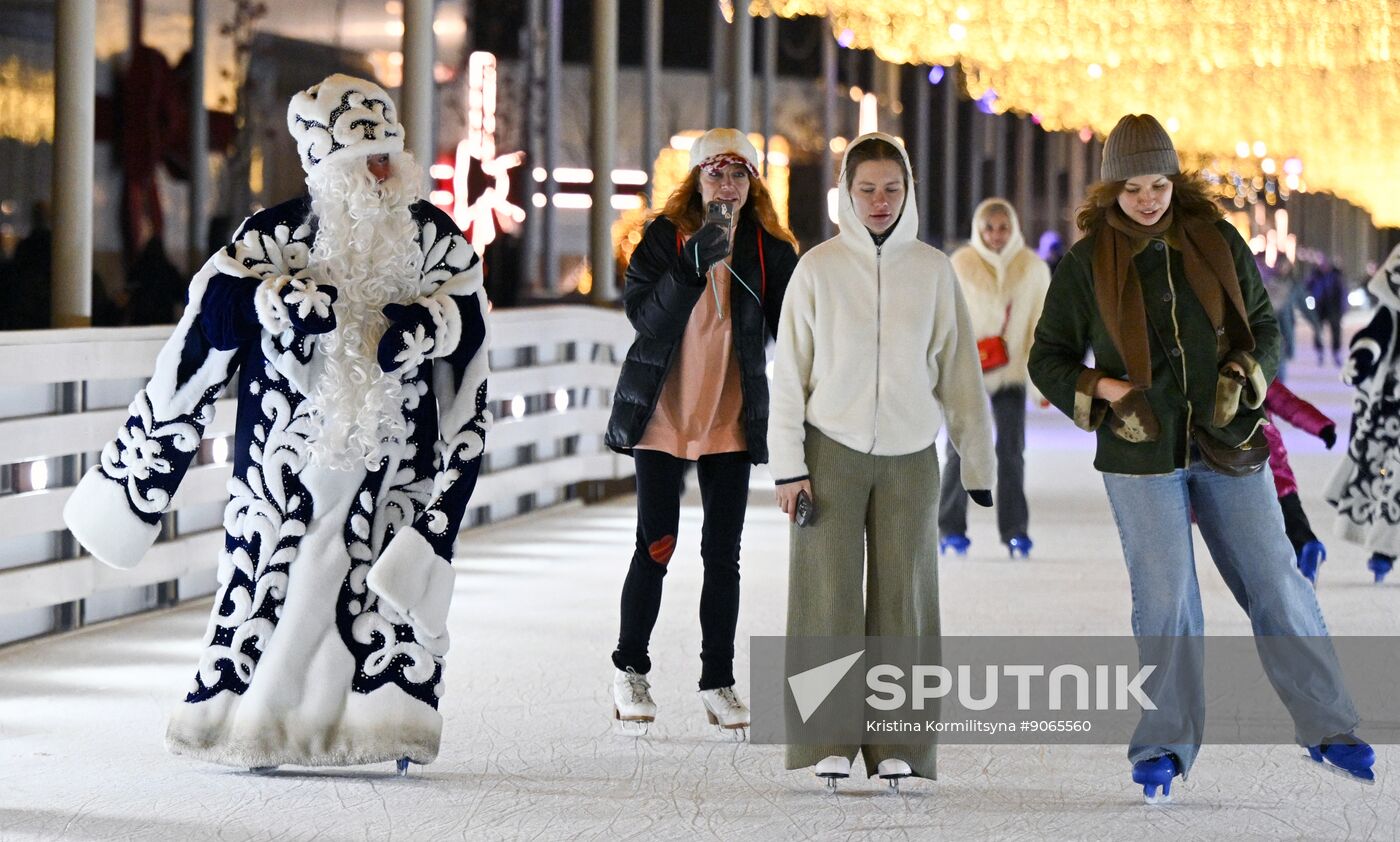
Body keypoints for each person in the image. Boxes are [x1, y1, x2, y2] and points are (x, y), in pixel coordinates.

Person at [62, 74, 491, 773]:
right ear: (329, 167)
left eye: (389, 156)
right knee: (268, 589)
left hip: (393, 466)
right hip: (283, 465)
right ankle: (251, 728)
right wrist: (272, 300)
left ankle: (390, 729)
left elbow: (471, 334)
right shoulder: (274, 236)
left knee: (376, 600)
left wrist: (433, 324)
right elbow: (210, 318)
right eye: (366, 159)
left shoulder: (435, 240)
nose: (382, 172)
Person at [1028, 114, 1373, 803]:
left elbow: (1266, 329)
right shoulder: (1086, 264)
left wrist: (1247, 373)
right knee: (1167, 601)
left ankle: (1329, 726)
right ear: (1111, 190)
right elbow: (1048, 359)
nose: (1149, 199)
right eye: (1133, 188)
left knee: (1276, 580)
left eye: (1159, 183)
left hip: (1229, 440)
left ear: (1174, 180)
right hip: (1141, 451)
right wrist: (1107, 388)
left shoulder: (1215, 240)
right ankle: (1162, 746)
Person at [769, 133, 996, 788]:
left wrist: (976, 468)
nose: (878, 201)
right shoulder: (817, 269)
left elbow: (960, 376)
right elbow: (790, 377)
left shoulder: (932, 270)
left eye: (891, 189)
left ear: (909, 193)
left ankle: (901, 742)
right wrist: (789, 466)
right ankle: (828, 741)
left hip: (909, 457)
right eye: (866, 188)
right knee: (827, 599)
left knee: (906, 601)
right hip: (828, 451)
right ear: (846, 191)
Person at [604, 128, 798, 735]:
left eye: (739, 174)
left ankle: (719, 680)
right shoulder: (664, 238)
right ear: (695, 180)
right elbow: (644, 318)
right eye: (715, 174)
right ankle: (629, 667)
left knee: (723, 554)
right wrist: (692, 264)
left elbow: (795, 329)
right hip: (663, 411)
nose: (727, 185)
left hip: (730, 415)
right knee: (656, 545)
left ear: (754, 184)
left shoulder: (768, 248)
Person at [939, 198, 1050, 557]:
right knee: (960, 450)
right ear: (978, 229)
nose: (996, 235)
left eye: (1003, 227)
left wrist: (1041, 384)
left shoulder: (1032, 268)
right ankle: (950, 527)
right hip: (967, 371)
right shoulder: (960, 265)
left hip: (1012, 371)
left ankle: (1016, 529)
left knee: (1011, 451)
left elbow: (1039, 327)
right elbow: (946, 322)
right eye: (989, 227)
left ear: (1014, 228)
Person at [1325, 242, 1400, 583]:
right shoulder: (1393, 305)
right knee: (1389, 474)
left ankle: (1384, 550)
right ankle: (1384, 550)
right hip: (1392, 404)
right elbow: (1377, 331)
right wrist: (1362, 358)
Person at [1260, 379, 1337, 583]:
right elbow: (1289, 404)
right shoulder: (1257, 370)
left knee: (1264, 525)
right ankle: (1307, 544)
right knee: (1289, 511)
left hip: (1244, 465)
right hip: (1273, 460)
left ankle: (1291, 566)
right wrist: (1321, 426)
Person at [1308, 257, 1346, 366]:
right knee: (1318, 330)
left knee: (1336, 331)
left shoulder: (1336, 276)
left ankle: (1336, 353)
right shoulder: (1315, 276)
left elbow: (1342, 293)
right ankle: (1320, 352)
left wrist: (1342, 308)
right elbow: (1308, 289)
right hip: (1319, 307)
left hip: (1333, 308)